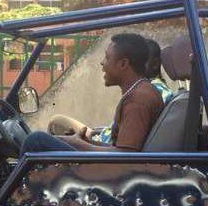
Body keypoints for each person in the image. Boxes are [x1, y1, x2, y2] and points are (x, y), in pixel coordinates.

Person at [22, 33, 164, 153]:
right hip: (109, 170)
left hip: (109, 179)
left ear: (123, 64)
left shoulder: (138, 99)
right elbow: (120, 148)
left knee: (36, 140)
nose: (102, 63)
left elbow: (126, 156)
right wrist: (88, 143)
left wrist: (80, 145)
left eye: (107, 58)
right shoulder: (141, 91)